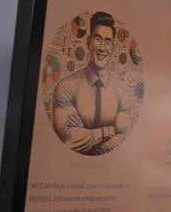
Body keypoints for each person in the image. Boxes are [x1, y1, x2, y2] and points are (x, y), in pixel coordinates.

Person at [52, 11, 131, 155]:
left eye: (108, 42)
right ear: (88, 42)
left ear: (113, 48)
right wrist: (108, 132)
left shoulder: (123, 92)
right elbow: (68, 138)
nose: (102, 48)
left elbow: (125, 136)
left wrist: (89, 139)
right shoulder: (66, 86)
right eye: (98, 39)